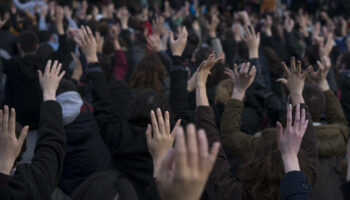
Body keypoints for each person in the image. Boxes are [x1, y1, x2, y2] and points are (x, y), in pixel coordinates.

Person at [0, 60, 66, 199]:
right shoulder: (29, 184)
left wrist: (3, 165)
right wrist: (49, 94)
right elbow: (52, 146)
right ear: (18, 150)